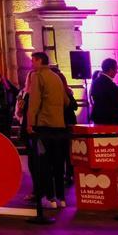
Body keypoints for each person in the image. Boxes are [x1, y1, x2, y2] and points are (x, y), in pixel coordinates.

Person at [25, 52, 69, 208]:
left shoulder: (38, 76)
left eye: (33, 60)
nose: (31, 63)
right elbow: (65, 101)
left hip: (44, 126)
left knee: (45, 163)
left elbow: (34, 101)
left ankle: (50, 198)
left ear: (39, 60)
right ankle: (61, 197)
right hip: (59, 126)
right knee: (58, 163)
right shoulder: (56, 77)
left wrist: (30, 123)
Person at [89, 58, 118, 125]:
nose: (117, 72)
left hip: (99, 119)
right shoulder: (111, 86)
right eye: (116, 69)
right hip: (111, 120)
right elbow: (115, 101)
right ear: (110, 70)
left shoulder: (96, 82)